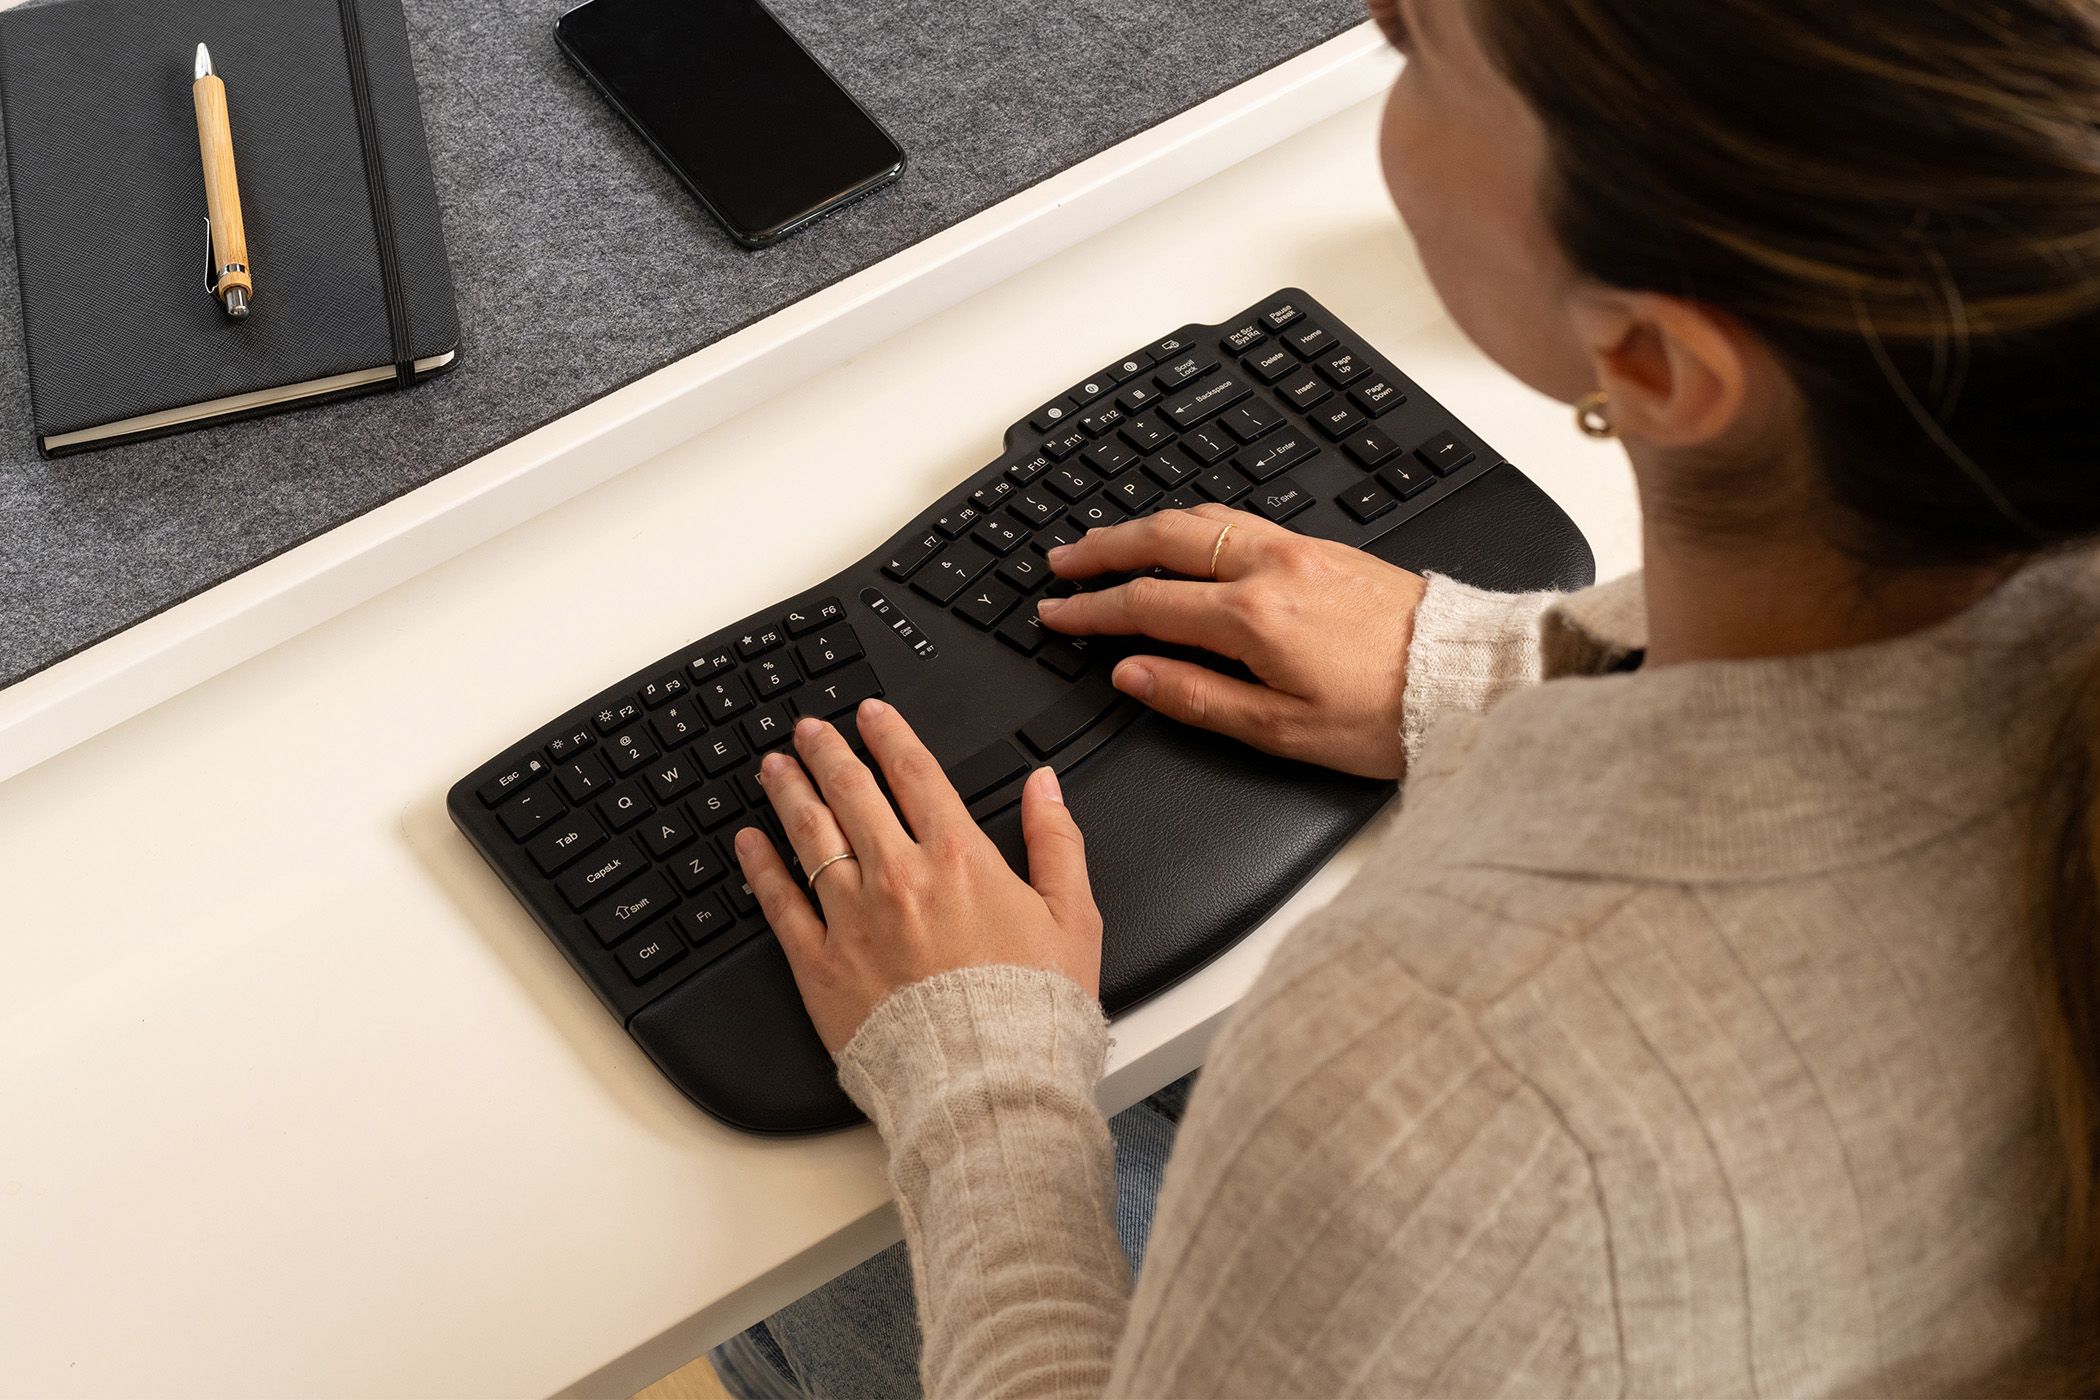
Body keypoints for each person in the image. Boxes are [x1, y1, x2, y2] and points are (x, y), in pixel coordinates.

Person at [713, 0, 2100, 1392]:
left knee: (777, 1250)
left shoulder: (1446, 1080)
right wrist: (1487, 672)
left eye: (1414, 44)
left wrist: (981, 1078)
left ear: (1655, 365)